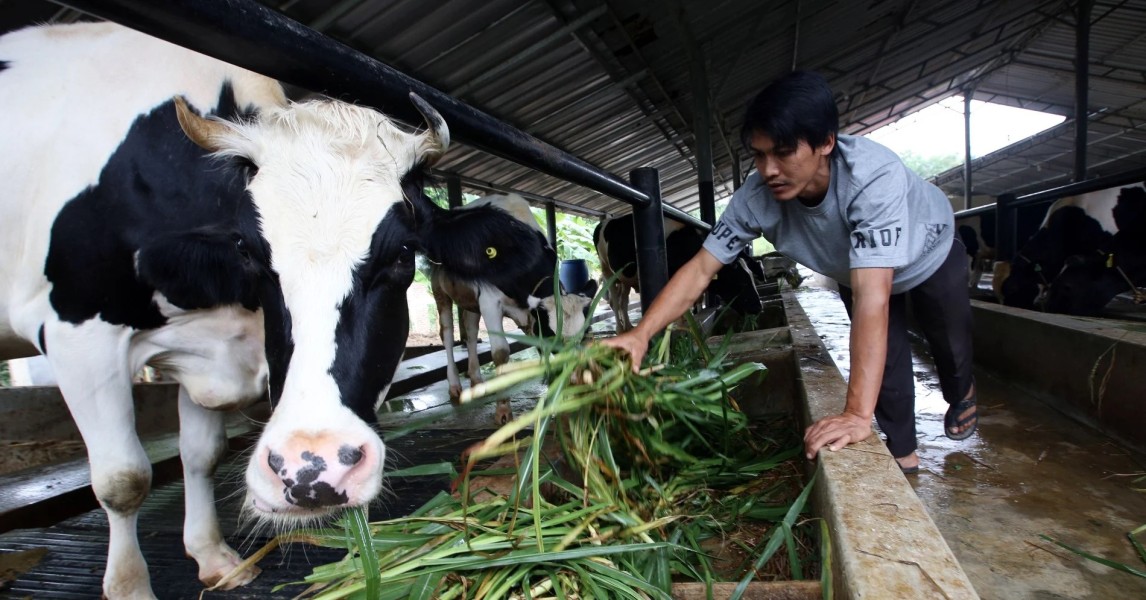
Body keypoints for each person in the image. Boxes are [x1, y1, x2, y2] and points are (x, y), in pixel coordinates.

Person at [601, 70, 977, 473]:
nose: (769, 170)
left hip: (929, 253)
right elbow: (698, 270)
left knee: (949, 343)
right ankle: (903, 457)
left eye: (782, 152)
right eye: (759, 154)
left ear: (826, 143)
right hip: (858, 270)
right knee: (889, 371)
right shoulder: (755, 198)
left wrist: (853, 412)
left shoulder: (872, 177)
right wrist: (640, 335)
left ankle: (962, 392)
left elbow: (875, 300)